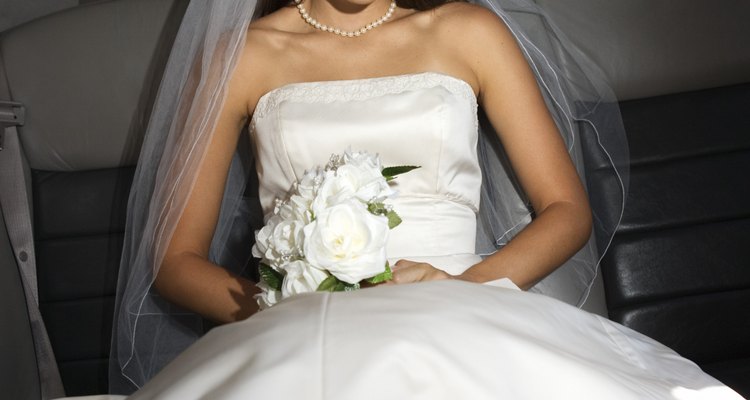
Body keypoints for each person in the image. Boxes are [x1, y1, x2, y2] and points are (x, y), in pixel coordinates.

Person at [110, 0, 740, 398]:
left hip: (462, 300)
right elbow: (175, 259)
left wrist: (464, 289)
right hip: (297, 322)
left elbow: (567, 211)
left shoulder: (469, 31)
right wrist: (287, 305)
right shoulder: (240, 56)